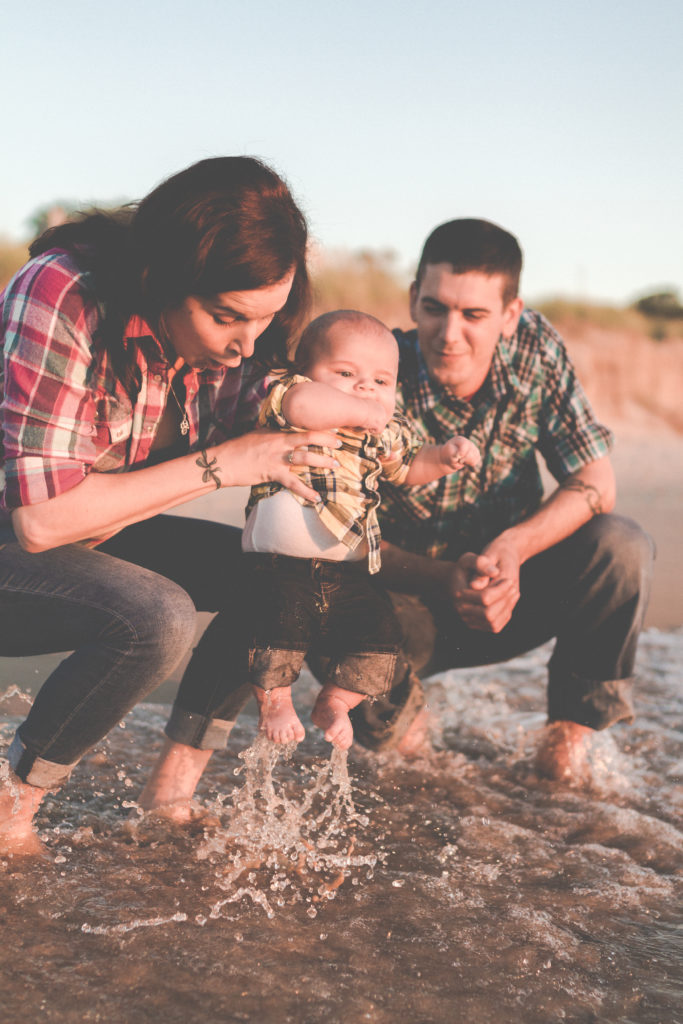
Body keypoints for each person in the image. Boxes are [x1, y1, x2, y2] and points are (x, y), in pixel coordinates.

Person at [0, 156, 343, 855]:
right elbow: (41, 523)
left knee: (274, 575)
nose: (245, 341)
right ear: (162, 278)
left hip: (87, 542)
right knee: (157, 617)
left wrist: (354, 411)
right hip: (20, 541)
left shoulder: (220, 347)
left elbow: (269, 388)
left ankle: (172, 790)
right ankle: (14, 804)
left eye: (264, 319)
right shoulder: (61, 290)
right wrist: (224, 464)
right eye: (226, 318)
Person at [352, 218, 655, 779]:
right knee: (412, 774)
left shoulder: (535, 350)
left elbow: (597, 480)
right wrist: (443, 577)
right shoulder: (374, 371)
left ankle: (565, 755)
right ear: (413, 298)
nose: (449, 334)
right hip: (401, 610)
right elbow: (338, 538)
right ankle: (408, 737)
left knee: (623, 544)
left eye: (474, 315)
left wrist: (513, 548)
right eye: (435, 308)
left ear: (511, 315)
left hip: (512, 595)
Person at [241, 310, 480, 749]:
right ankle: (275, 701)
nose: (366, 387)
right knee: (276, 629)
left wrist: (445, 457)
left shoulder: (382, 432)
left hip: (348, 570)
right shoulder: (292, 401)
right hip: (281, 564)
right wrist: (364, 410)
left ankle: (336, 700)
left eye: (381, 381)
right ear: (305, 372)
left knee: (381, 640)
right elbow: (300, 402)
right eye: (346, 373)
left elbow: (408, 467)